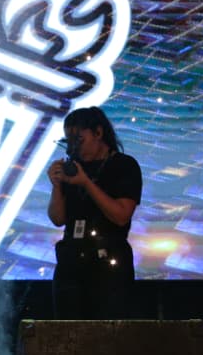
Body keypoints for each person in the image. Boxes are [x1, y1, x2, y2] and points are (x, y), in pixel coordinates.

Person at [47, 106, 142, 319]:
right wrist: (57, 185)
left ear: (98, 133)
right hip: (71, 263)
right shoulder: (73, 167)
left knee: (108, 331)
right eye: (69, 140)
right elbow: (58, 218)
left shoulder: (123, 165)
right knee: (67, 330)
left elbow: (121, 215)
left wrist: (86, 183)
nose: (73, 147)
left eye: (79, 139)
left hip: (109, 265)